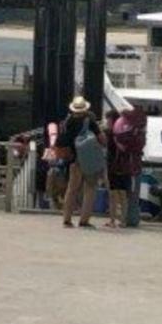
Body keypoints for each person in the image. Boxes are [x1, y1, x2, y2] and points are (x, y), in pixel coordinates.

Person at [56, 96, 105, 229]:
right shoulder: (90, 121)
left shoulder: (67, 121)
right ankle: (84, 220)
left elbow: (62, 141)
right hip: (89, 159)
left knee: (72, 189)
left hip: (74, 159)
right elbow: (101, 139)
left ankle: (67, 219)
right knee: (90, 189)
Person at [103, 110, 128, 228]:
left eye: (107, 119)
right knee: (122, 193)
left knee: (113, 193)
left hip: (113, 165)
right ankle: (123, 220)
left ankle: (112, 220)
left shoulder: (109, 133)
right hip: (124, 165)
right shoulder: (124, 132)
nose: (106, 121)